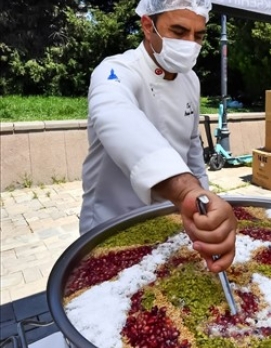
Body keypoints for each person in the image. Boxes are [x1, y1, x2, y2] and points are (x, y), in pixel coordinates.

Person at [79, 0, 236, 273]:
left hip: (169, 220)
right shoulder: (116, 70)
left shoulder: (191, 80)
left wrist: (202, 201)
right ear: (147, 26)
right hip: (112, 222)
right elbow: (114, 115)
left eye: (198, 36)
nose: (190, 43)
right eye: (178, 31)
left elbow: (191, 150)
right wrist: (187, 191)